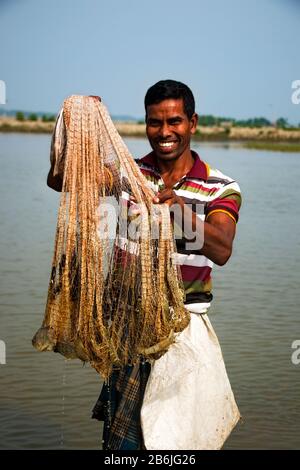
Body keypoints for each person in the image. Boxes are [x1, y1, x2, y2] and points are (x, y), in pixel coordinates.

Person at [47, 81, 242, 450]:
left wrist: (178, 210)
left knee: (174, 441)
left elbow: (221, 248)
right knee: (124, 445)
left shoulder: (220, 187)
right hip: (128, 332)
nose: (165, 132)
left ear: (193, 122)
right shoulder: (128, 177)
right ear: (146, 124)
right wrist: (76, 124)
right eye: (155, 122)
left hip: (182, 335)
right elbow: (61, 180)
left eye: (175, 121)